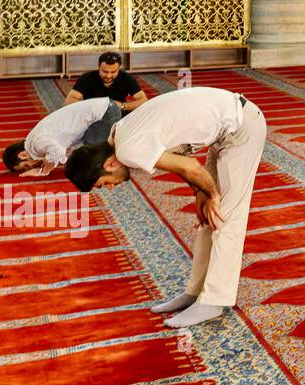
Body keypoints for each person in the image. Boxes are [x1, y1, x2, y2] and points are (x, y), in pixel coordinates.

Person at [64, 87, 267, 329]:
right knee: (207, 218)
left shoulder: (128, 150)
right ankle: (195, 292)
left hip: (242, 128)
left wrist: (211, 193)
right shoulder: (117, 137)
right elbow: (180, 164)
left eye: (103, 183)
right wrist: (199, 192)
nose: (110, 187)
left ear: (108, 165)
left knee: (224, 218)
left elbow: (191, 167)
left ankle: (214, 301)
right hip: (224, 132)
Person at [1, 97, 123, 177]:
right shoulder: (33, 141)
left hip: (105, 113)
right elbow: (65, 152)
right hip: (102, 111)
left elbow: (58, 153)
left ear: (23, 154)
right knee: (81, 158)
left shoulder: (37, 143)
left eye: (26, 165)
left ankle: (119, 161)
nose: (32, 166)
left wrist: (42, 172)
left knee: (90, 162)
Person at [63, 52, 147, 111]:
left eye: (113, 72)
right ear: (99, 66)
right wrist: (93, 105)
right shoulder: (87, 78)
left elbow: (143, 99)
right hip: (92, 113)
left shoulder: (126, 78)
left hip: (118, 113)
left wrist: (124, 106)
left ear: (119, 68)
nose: (108, 76)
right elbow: (69, 101)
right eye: (105, 71)